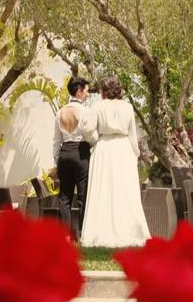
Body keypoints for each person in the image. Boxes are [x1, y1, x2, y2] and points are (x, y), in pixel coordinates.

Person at [80, 75, 150, 247]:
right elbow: (133, 134)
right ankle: (129, 230)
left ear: (104, 90)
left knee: (103, 188)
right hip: (124, 148)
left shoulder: (97, 106)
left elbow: (88, 131)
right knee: (125, 190)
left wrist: (97, 139)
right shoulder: (127, 107)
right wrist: (135, 153)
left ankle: (99, 231)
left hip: (104, 148)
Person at [52, 77, 93, 239]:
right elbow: (90, 135)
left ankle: (67, 237)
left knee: (64, 198)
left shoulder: (59, 112)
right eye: (87, 91)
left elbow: (56, 141)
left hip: (64, 153)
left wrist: (57, 162)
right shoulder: (86, 111)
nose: (88, 94)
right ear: (79, 91)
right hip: (81, 152)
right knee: (83, 196)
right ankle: (83, 235)